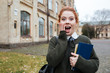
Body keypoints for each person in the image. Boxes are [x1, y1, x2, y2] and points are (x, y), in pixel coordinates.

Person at [46, 6, 99, 73]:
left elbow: (95, 66)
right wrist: (62, 38)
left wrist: (80, 62)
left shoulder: (84, 40)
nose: (67, 22)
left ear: (76, 22)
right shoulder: (54, 40)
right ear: (59, 23)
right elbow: (51, 62)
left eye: (71, 19)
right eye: (63, 19)